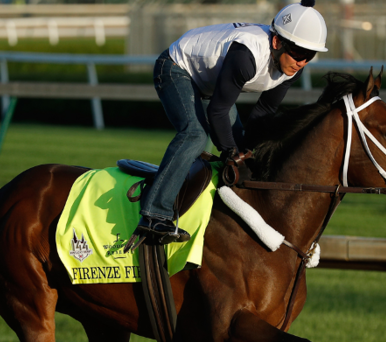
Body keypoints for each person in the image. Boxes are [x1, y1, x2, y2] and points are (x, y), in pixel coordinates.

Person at [127, 0, 328, 249]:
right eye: (298, 53)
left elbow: (264, 111)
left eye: (309, 56)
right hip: (176, 67)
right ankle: (154, 214)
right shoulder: (246, 56)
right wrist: (230, 152)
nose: (302, 62)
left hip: (208, 83)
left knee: (242, 145)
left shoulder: (292, 67)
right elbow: (218, 111)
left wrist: (249, 150)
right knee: (195, 135)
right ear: (277, 42)